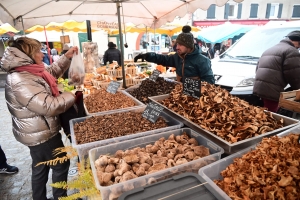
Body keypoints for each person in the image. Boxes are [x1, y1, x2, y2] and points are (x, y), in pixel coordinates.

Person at [1, 37, 78, 200]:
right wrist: (72, 94)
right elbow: (49, 106)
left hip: (35, 131)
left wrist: (67, 57)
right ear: (26, 55)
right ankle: (61, 198)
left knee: (40, 167)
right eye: (36, 51)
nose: (40, 53)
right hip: (42, 134)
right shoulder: (20, 79)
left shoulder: (28, 70)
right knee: (61, 165)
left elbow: (48, 73)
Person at [134, 25, 214, 84]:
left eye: (180, 45)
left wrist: (192, 86)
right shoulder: (178, 57)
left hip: (195, 99)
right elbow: (163, 59)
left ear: (189, 46)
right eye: (177, 44)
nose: (177, 47)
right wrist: (147, 56)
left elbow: (210, 82)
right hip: (180, 94)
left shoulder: (203, 61)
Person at [253, 30, 300, 112]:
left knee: (264, 112)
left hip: (260, 88)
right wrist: (298, 89)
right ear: (296, 41)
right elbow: (294, 75)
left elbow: (257, 69)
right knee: (272, 116)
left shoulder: (271, 48)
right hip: (272, 90)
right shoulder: (291, 51)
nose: (299, 47)